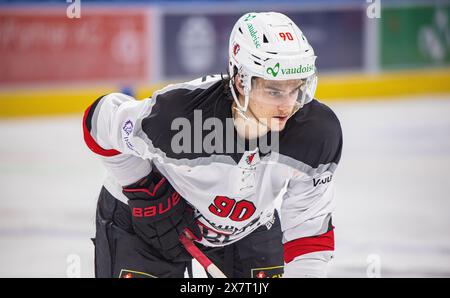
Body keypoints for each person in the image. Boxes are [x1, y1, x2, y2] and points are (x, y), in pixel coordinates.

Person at [83, 11, 343, 278]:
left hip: (247, 228)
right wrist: (144, 188)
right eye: (274, 90)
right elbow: (98, 121)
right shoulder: (181, 121)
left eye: (297, 88)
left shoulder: (316, 134)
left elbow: (309, 231)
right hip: (142, 225)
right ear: (241, 81)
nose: (289, 105)